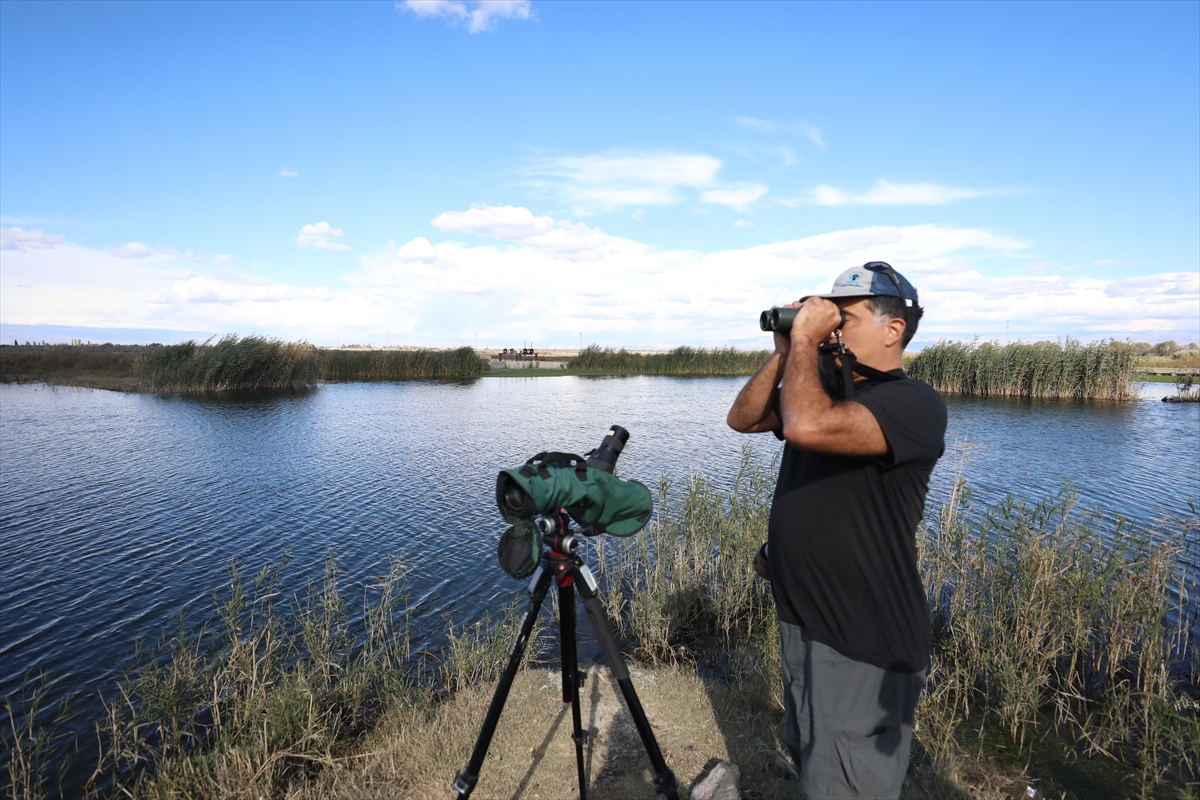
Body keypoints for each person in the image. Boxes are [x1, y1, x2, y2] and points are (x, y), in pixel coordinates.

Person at [727, 262, 947, 799]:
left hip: (862, 638)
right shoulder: (825, 390)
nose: (830, 328)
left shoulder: (912, 403)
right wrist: (786, 349)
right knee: (815, 757)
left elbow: (804, 426)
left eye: (842, 317)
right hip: (807, 622)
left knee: (848, 780)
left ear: (894, 330)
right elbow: (744, 418)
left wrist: (805, 341)